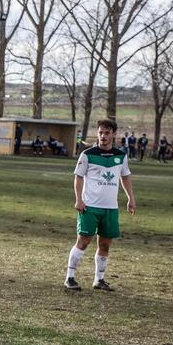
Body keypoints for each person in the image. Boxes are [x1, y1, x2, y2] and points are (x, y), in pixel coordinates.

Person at [64, 118, 137, 292]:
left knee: (105, 244)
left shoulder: (121, 156)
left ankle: (99, 280)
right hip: (90, 206)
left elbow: (125, 177)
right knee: (83, 241)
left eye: (107, 133)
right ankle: (70, 277)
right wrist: (79, 200)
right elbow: (78, 177)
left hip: (111, 208)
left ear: (113, 134)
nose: (103, 136)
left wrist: (131, 198)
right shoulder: (88, 154)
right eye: (100, 133)